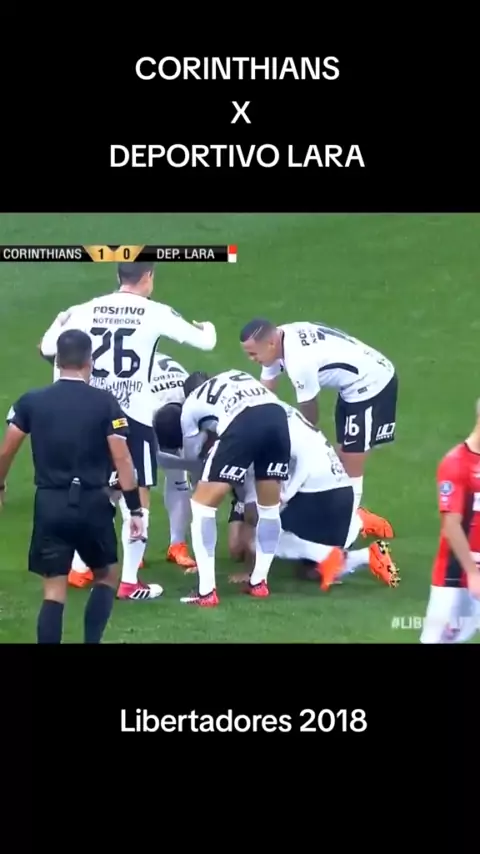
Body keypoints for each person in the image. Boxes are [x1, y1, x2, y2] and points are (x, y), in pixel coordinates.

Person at [38, 261, 216, 601]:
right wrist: (205, 326)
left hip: (90, 411)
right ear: (148, 277)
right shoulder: (154, 311)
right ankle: (130, 581)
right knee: (137, 492)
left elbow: (48, 348)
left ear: (118, 277)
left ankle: (79, 567)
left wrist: (59, 321)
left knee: (93, 488)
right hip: (132, 416)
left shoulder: (86, 309)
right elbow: (206, 342)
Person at [0, 330, 148, 643]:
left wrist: (0, 486)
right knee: (106, 575)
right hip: (93, 503)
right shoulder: (105, 403)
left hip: (50, 503)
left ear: (57, 361)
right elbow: (122, 458)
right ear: (89, 361)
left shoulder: (32, 401)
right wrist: (135, 508)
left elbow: (6, 450)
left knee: (54, 589)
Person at [239, 318, 397, 540]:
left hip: (372, 384)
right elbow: (265, 392)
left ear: (271, 344)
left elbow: (310, 414)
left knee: (352, 460)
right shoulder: (278, 338)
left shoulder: (299, 361)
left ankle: (346, 533)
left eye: (253, 354)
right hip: (351, 385)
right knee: (341, 457)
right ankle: (348, 516)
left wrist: (303, 445)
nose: (251, 359)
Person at [179, 369, 292, 606]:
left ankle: (206, 592)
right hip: (278, 416)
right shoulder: (235, 374)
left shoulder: (190, 404)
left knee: (201, 507)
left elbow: (192, 456)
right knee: (269, 508)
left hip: (243, 421)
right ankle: (259, 582)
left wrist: (202, 482)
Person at [420, 403, 480, 643]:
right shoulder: (457, 463)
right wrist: (472, 573)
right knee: (440, 640)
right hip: (455, 576)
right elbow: (452, 526)